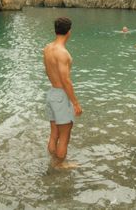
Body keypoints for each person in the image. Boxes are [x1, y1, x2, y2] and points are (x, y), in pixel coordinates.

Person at [43, 17, 82, 169]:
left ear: (55, 30)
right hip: (61, 95)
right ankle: (60, 164)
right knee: (64, 135)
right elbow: (66, 80)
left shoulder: (47, 48)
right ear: (69, 32)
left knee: (54, 133)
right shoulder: (63, 53)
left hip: (52, 93)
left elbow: (47, 70)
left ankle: (53, 160)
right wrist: (76, 103)